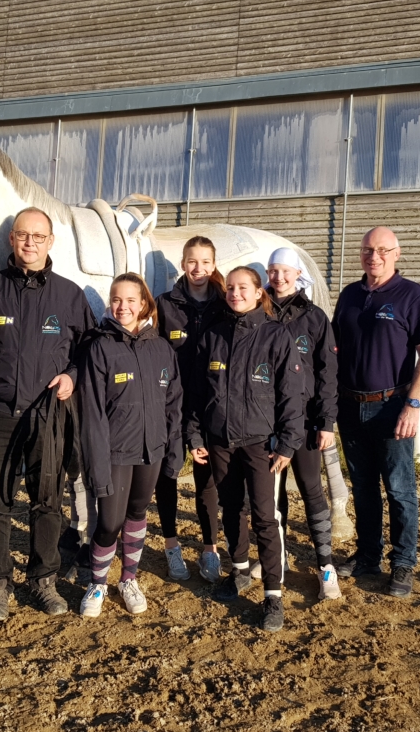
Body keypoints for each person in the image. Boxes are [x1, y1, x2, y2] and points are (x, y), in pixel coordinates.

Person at [0, 206, 96, 621]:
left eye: (38, 236)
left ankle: (43, 580)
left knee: (47, 501)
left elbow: (88, 352)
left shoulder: (69, 295)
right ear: (12, 240)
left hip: (49, 417)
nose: (30, 243)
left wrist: (71, 376)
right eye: (22, 235)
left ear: (50, 242)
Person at [186, 266, 304, 632]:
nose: (235, 293)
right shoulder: (213, 336)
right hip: (220, 443)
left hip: (260, 446)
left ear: (258, 293)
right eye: (231, 288)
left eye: (243, 288)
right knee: (231, 508)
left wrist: (287, 443)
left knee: (266, 518)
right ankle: (238, 571)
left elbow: (291, 396)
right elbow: (196, 393)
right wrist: (195, 435)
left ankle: (273, 594)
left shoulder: (276, 337)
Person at [331, 226, 420, 598]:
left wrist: (413, 404)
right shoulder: (348, 295)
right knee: (362, 488)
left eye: (381, 250)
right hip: (350, 405)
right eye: (366, 250)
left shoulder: (412, 296)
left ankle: (403, 562)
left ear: (397, 253)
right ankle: (367, 556)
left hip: (391, 406)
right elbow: (334, 351)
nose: (372, 257)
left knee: (398, 488)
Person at [77, 273, 183, 617]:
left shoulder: (162, 348)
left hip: (151, 450)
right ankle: (97, 582)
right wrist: (95, 462)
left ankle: (128, 579)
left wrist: (173, 448)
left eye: (130, 300)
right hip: (114, 453)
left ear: (144, 304)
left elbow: (174, 404)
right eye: (116, 299)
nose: (122, 306)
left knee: (137, 514)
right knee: (109, 523)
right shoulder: (101, 347)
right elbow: (91, 412)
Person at [264, 247, 346, 601]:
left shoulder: (314, 319)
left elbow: (328, 375)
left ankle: (325, 564)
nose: (278, 278)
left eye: (284, 271)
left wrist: (327, 420)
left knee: (312, 489)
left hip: (307, 420)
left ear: (298, 274)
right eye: (272, 271)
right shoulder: (259, 313)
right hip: (268, 421)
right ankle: (276, 559)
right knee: (272, 495)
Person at [153, 236, 227, 583]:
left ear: (214, 264)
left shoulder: (225, 304)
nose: (199, 269)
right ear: (182, 264)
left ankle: (210, 549)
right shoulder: (165, 305)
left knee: (206, 482)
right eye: (192, 261)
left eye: (206, 262)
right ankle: (171, 546)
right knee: (167, 475)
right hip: (170, 406)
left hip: (210, 407)